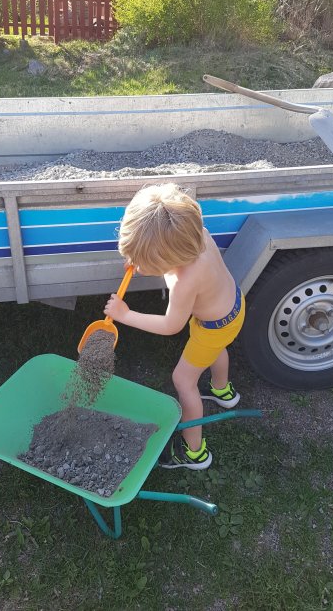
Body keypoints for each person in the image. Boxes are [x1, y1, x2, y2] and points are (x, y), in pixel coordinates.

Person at [104, 183, 245, 470]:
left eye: (145, 263)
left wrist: (125, 314)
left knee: (183, 381)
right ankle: (223, 392)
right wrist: (143, 258)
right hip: (233, 308)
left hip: (212, 327)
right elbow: (175, 265)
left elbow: (171, 325)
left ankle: (195, 453)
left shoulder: (183, 284)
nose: (138, 266)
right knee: (217, 349)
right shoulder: (200, 236)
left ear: (168, 259)